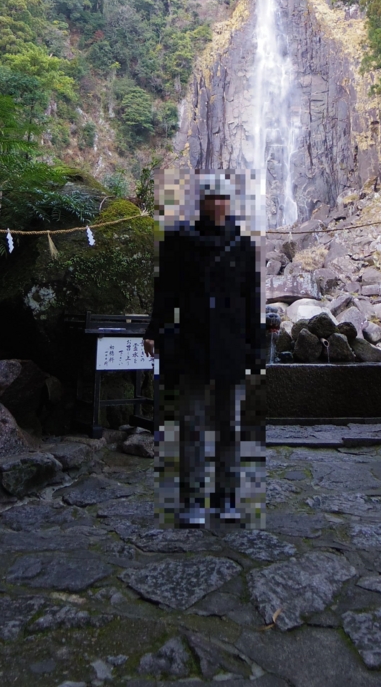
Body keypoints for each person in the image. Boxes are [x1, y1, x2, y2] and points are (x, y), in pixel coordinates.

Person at [144, 173, 263, 527]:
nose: (219, 204)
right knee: (191, 422)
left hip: (230, 344)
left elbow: (251, 298)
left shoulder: (241, 245)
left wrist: (255, 346)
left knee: (230, 424)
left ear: (230, 202)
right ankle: (192, 497)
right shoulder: (181, 241)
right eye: (213, 198)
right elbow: (166, 290)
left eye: (224, 198)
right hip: (191, 342)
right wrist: (154, 329)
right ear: (203, 202)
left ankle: (226, 495)